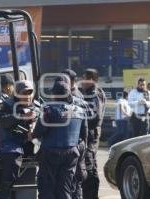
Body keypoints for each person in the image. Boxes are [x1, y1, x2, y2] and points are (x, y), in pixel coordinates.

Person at [33, 74, 88, 199]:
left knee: (47, 188)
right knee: (65, 189)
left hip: (50, 153)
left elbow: (39, 131)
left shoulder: (48, 109)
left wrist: (31, 135)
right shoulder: (80, 110)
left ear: (54, 94)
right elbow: (83, 135)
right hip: (71, 153)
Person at [0, 80, 39, 199]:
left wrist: (35, 120)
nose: (28, 96)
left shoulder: (36, 105)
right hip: (12, 143)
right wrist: (21, 116)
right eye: (25, 93)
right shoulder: (6, 105)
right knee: (12, 156)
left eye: (30, 93)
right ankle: (5, 193)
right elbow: (3, 121)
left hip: (30, 143)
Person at [61, 69, 89, 199]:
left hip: (75, 142)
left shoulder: (76, 97)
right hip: (75, 142)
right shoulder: (68, 94)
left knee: (75, 181)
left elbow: (84, 126)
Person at [81, 68, 106, 199]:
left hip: (91, 134)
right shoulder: (89, 92)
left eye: (84, 78)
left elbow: (94, 116)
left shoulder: (94, 94)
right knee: (89, 165)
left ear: (91, 80)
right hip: (89, 133)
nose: (82, 81)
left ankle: (91, 196)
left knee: (89, 166)